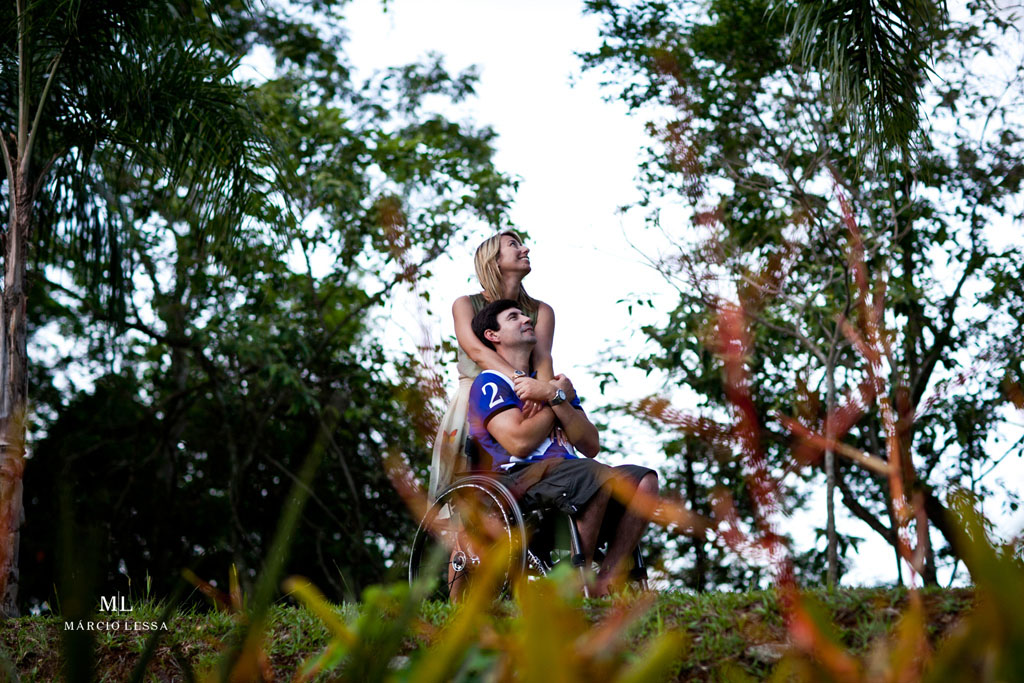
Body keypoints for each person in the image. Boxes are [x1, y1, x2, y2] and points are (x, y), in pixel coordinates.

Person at [466, 298, 658, 596]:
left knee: (644, 480)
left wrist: (552, 396)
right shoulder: (491, 383)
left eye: (525, 315)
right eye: (514, 317)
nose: (526, 320)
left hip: (571, 475)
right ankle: (575, 583)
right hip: (520, 478)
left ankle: (605, 581)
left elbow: (590, 443)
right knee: (594, 474)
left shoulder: (554, 385)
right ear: (493, 335)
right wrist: (554, 398)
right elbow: (518, 441)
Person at [429, 231, 556, 500]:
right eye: (514, 245)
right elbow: (476, 351)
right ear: (494, 261)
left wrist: (544, 394)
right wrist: (522, 382)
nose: (525, 249)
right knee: (463, 489)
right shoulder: (465, 304)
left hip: (522, 401)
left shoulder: (541, 311)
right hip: (475, 397)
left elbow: (544, 358)